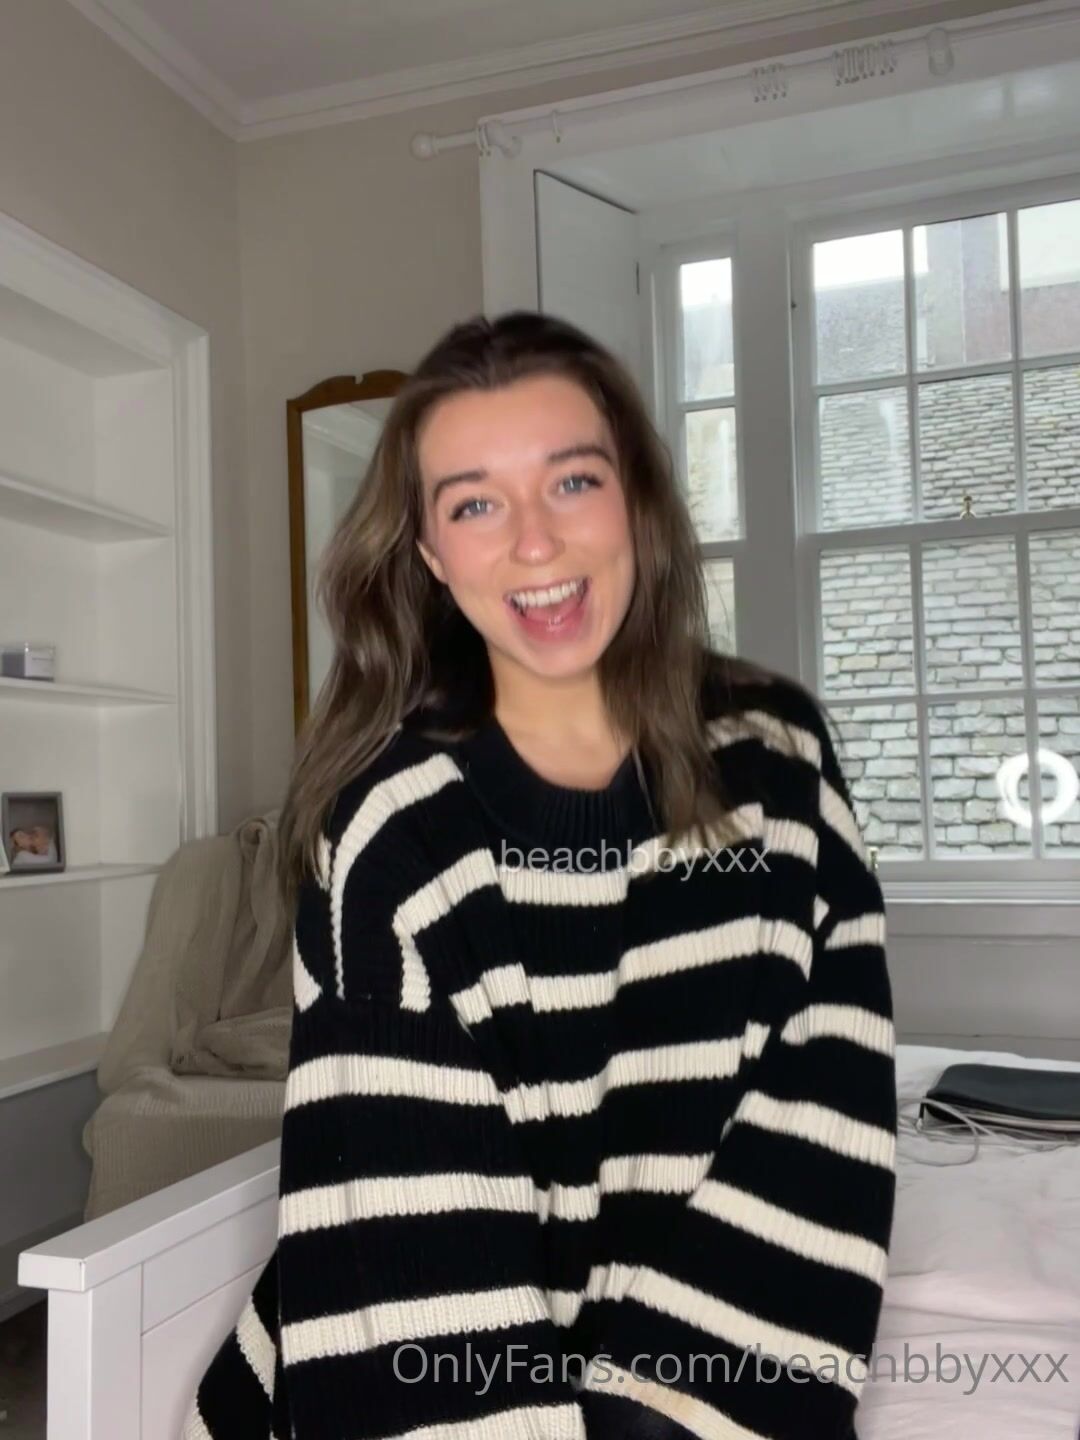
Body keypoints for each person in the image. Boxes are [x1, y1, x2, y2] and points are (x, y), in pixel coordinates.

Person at [183, 310, 896, 1440]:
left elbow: (823, 1113)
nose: (535, 543)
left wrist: (664, 1412)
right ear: (430, 555)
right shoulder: (394, 829)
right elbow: (409, 1260)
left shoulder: (779, 759)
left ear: (636, 500)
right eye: (475, 504)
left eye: (572, 482)